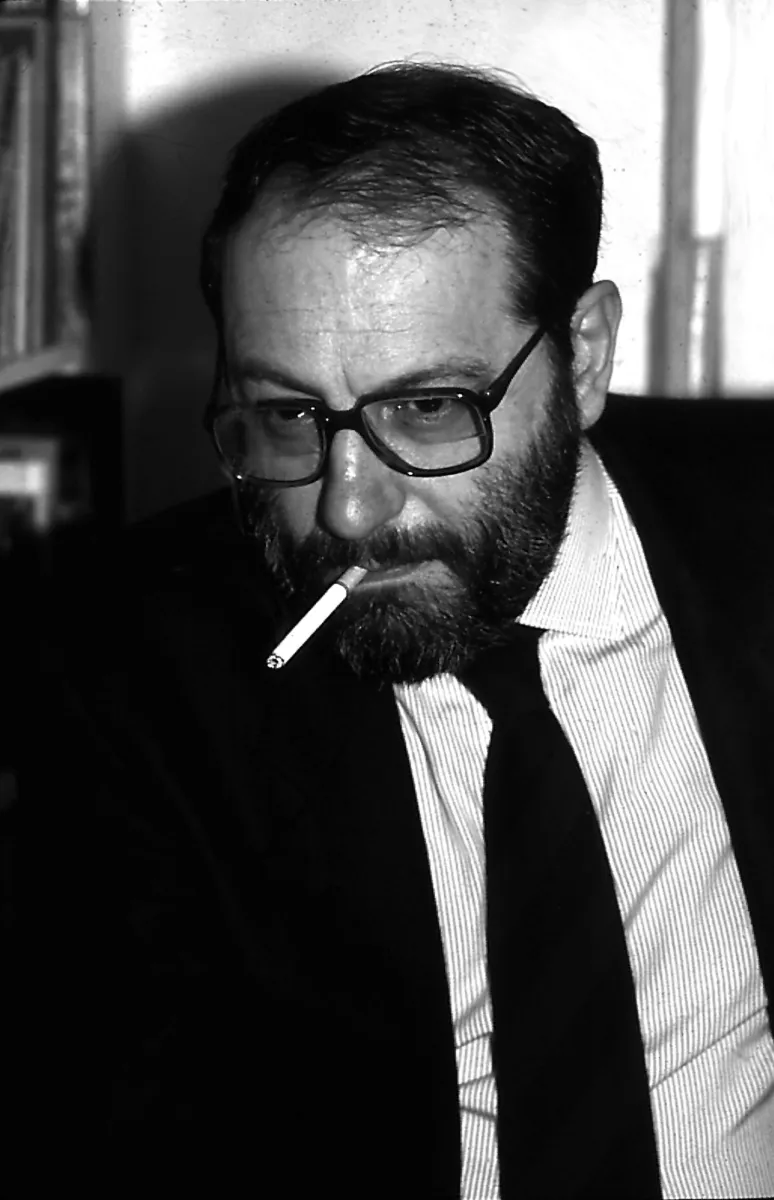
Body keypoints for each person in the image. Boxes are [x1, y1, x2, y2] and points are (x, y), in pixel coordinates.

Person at [19, 62, 774, 1197]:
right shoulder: (134, 668)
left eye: (427, 408)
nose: (349, 508)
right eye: (288, 416)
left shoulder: (752, 536)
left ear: (585, 354)